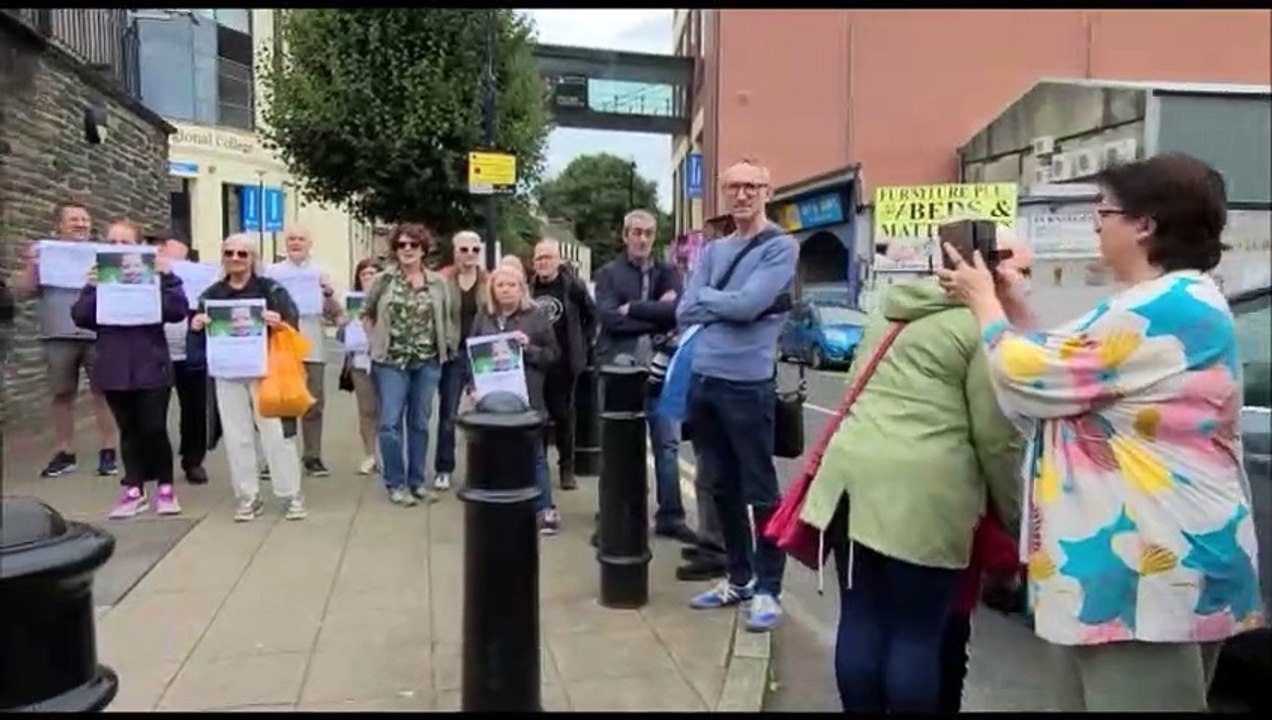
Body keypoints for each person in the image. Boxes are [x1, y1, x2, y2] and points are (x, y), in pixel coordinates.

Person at [937, 153, 1261, 712]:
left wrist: (983, 303)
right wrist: (1014, 307)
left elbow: (1027, 379)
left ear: (1145, 224)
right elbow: (1065, 378)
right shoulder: (1160, 303)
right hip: (1129, 561)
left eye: (1104, 209)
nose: (1095, 222)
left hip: (1147, 567)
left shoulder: (1169, 305)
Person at [796, 219, 1027, 712]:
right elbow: (996, 438)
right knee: (915, 636)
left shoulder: (889, 314)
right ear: (991, 270)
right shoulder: (978, 330)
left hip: (850, 487)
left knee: (860, 620)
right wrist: (1017, 518)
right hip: (923, 498)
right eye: (1019, 270)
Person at [675, 158, 797, 633]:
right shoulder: (711, 249)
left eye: (751, 186)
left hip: (748, 384)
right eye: (733, 187)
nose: (742, 195)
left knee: (760, 489)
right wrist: (727, 306)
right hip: (704, 378)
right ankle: (739, 577)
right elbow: (686, 309)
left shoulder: (780, 247)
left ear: (767, 191)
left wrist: (719, 304)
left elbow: (749, 305)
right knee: (719, 486)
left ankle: (769, 589)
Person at [70, 219, 188, 519]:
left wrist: (168, 276)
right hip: (113, 364)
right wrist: (90, 287)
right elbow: (81, 317)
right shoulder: (101, 279)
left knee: (153, 427)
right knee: (129, 429)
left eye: (125, 243)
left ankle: (164, 485)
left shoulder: (155, 276)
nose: (118, 249)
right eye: (113, 243)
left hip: (151, 362)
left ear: (139, 247)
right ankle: (134, 487)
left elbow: (176, 311)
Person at [594, 209, 697, 545]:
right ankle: (612, 515)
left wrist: (633, 308)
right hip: (618, 369)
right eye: (636, 232)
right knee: (617, 445)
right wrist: (655, 313)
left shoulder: (669, 272)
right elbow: (610, 320)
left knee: (666, 445)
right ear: (625, 235)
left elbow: (677, 314)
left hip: (660, 369)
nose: (642, 239)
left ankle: (671, 516)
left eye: (648, 233)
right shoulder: (608, 274)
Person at [190, 234, 307, 522]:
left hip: (267, 372)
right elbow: (197, 339)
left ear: (253, 258)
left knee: (276, 434)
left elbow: (293, 322)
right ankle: (248, 495)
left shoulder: (271, 289)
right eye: (229, 253)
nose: (235, 258)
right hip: (228, 373)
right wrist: (195, 325)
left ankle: (291, 493)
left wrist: (279, 323)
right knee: (236, 435)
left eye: (243, 253)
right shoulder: (211, 295)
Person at [14, 201, 119, 477]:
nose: (81, 224)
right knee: (62, 394)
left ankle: (109, 449)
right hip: (57, 333)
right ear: (58, 225)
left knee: (103, 392)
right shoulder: (45, 254)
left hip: (97, 332)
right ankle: (64, 452)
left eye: (84, 220)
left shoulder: (102, 255)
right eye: (73, 220)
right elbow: (23, 292)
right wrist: (31, 264)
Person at [361, 223, 456, 507]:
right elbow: (366, 312)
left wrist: (447, 346)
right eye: (401, 245)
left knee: (419, 423)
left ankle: (417, 482)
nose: (407, 250)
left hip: (426, 362)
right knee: (390, 424)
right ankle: (396, 482)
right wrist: (375, 340)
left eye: (413, 245)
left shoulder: (438, 282)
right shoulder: (384, 280)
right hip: (391, 362)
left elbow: (448, 316)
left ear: (423, 249)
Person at [470, 265, 560, 533]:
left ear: (521, 289)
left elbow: (552, 355)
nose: (506, 290)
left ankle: (545, 509)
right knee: (493, 455)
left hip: (526, 398)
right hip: (490, 400)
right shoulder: (482, 317)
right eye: (500, 285)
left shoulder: (536, 316)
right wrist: (471, 386)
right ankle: (497, 508)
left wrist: (528, 348)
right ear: (493, 290)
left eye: (512, 285)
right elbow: (471, 355)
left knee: (535, 455)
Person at [267, 226, 345, 477]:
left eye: (301, 239)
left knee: (314, 401)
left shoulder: (320, 272)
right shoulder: (273, 272)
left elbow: (335, 313)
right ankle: (278, 455)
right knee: (283, 401)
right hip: (282, 342)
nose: (295, 243)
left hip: (313, 343)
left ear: (310, 244)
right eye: (291, 239)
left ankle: (312, 456)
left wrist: (329, 292)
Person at [530, 238, 597, 491]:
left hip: (565, 363)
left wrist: (585, 343)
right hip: (537, 362)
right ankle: (539, 469)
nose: (543, 262)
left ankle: (567, 469)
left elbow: (592, 316)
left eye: (548, 257)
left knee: (563, 417)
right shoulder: (529, 287)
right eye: (539, 258)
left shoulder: (573, 287)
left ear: (557, 260)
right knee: (537, 417)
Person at [434, 231, 488, 491]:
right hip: (453, 353)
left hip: (482, 352)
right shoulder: (443, 280)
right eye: (464, 249)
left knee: (485, 410)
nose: (469, 255)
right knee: (449, 413)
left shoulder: (488, 280)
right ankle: (444, 468)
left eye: (474, 250)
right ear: (454, 251)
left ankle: (483, 468)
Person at [154, 236, 209, 485]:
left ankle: (193, 461)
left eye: (182, 259)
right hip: (157, 353)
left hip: (190, 352)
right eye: (169, 257)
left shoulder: (198, 282)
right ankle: (154, 461)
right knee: (153, 412)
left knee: (195, 411)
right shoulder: (144, 278)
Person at [339, 258, 383, 476]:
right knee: (366, 410)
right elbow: (341, 337)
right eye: (364, 274)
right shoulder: (351, 301)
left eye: (373, 273)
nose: (368, 277)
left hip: (384, 359)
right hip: (359, 360)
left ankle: (389, 453)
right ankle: (370, 455)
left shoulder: (388, 298)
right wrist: (342, 324)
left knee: (388, 409)